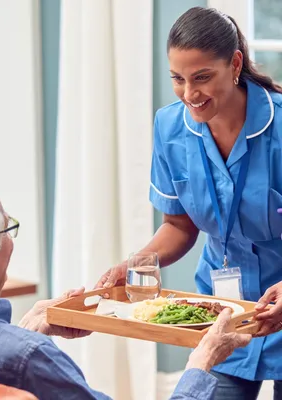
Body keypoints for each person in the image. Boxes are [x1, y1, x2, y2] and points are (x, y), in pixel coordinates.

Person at [0, 177, 250, 399]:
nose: (11, 239)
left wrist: (24, 330)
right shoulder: (29, 357)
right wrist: (200, 362)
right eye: (5, 230)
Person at [96, 6, 282, 400]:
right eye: (178, 80)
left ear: (234, 64)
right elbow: (179, 225)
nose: (190, 94)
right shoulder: (169, 126)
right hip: (223, 312)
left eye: (202, 78)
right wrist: (134, 264)